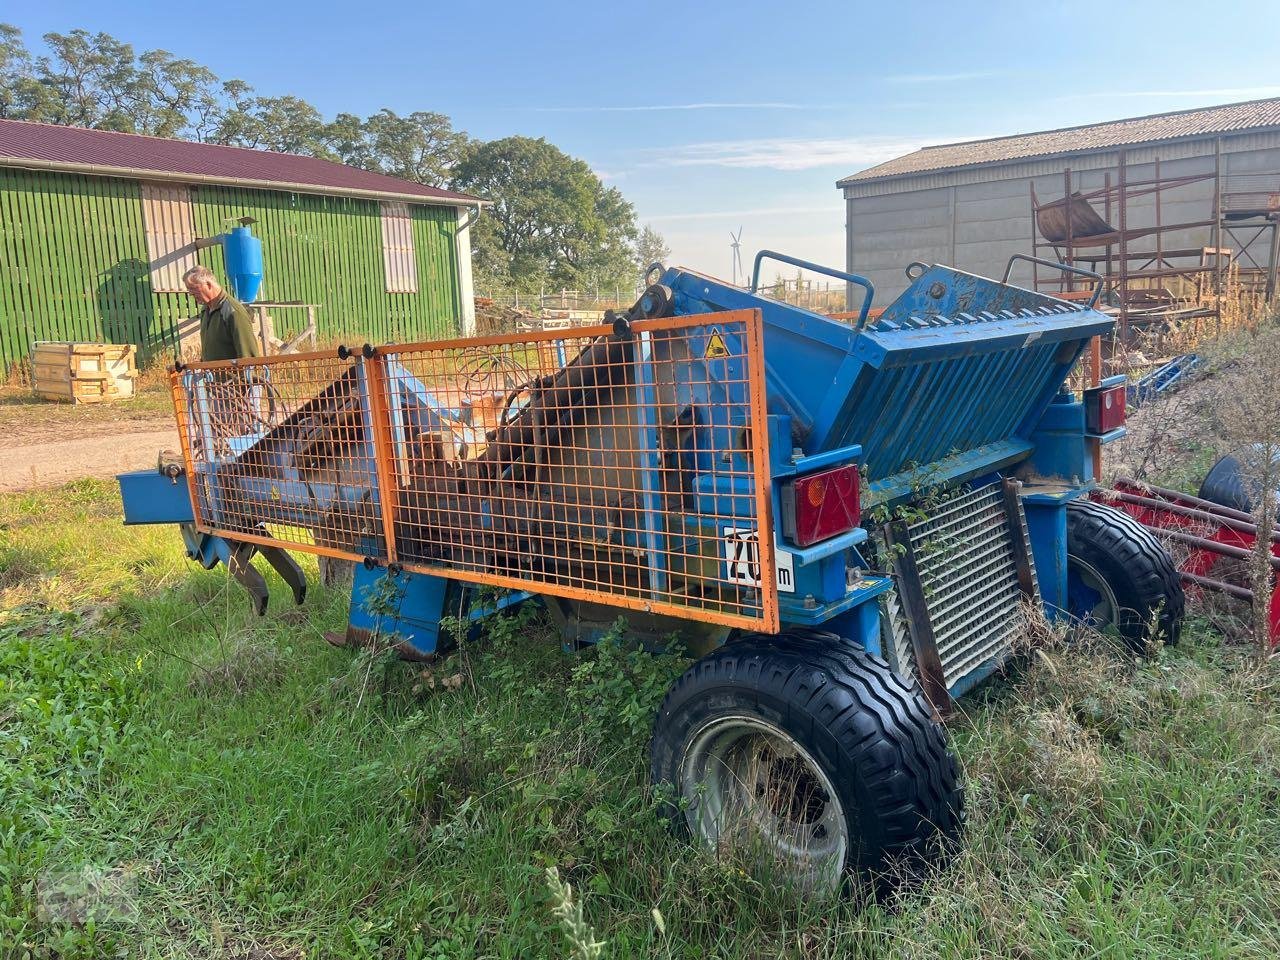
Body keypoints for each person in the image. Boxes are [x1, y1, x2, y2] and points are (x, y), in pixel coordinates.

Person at [182, 265, 261, 362]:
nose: (190, 294)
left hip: (233, 376)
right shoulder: (205, 310)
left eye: (194, 288)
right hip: (213, 376)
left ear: (208, 285)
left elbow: (248, 356)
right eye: (189, 290)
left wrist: (245, 376)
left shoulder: (233, 311)